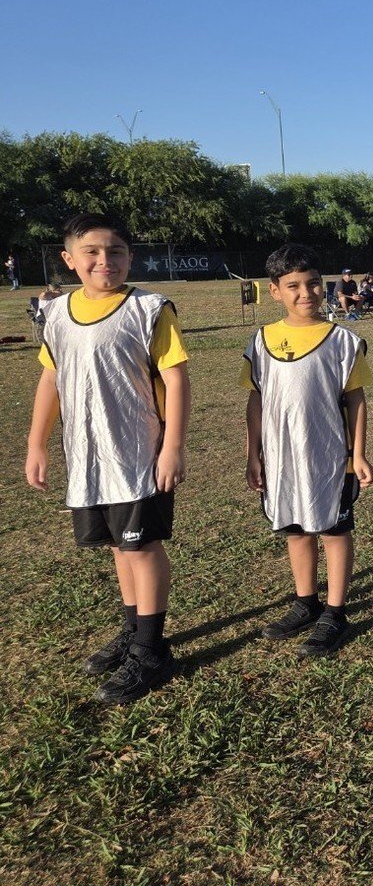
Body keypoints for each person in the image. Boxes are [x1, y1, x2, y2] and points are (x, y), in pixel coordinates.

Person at [24, 213, 190, 704]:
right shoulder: (54, 314)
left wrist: (173, 446)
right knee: (119, 547)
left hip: (139, 452)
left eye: (115, 252)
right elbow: (50, 380)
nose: (104, 261)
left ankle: (152, 649)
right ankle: (133, 630)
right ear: (68, 258)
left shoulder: (149, 308)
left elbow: (176, 378)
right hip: (89, 457)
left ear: (130, 257)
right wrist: (36, 443)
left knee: (140, 547)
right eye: (92, 252)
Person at [243, 244, 373, 656]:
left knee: (334, 531)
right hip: (280, 456)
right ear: (275, 290)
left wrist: (359, 453)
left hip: (329, 455)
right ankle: (306, 603)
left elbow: (356, 400)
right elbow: (256, 400)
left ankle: (335, 612)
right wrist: (253, 454)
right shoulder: (261, 340)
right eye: (293, 285)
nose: (306, 293)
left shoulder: (343, 341)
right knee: (295, 528)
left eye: (313, 283)